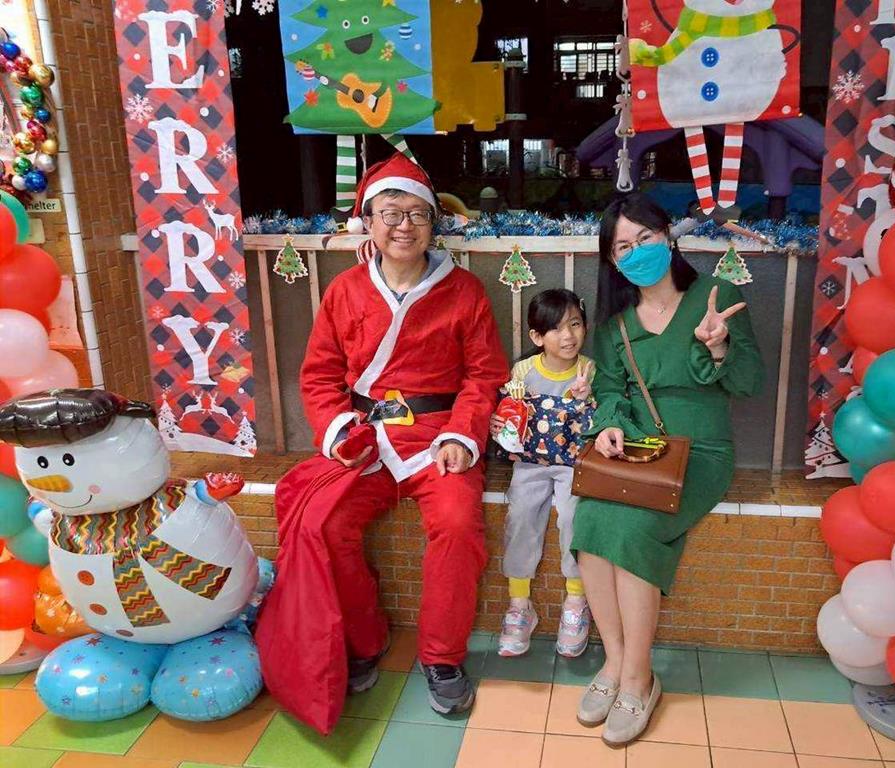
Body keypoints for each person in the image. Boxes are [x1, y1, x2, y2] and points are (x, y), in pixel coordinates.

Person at [255, 153, 508, 734]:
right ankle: (365, 639)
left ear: (433, 223)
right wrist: (337, 429)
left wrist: (462, 435)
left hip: (437, 436)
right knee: (325, 524)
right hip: (364, 437)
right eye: (391, 213)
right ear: (368, 222)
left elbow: (484, 376)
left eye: (417, 213)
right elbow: (320, 376)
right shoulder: (344, 290)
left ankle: (441, 657)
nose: (404, 225)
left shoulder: (464, 291)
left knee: (458, 524)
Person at [572, 193, 764, 747]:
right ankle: (614, 663)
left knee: (633, 530)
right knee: (589, 524)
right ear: (612, 262)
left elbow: (749, 383)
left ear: (668, 237)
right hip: (638, 450)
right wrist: (609, 425)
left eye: (646, 238)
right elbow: (611, 391)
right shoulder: (614, 326)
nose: (637, 252)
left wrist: (720, 346)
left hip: (700, 452)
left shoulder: (716, 297)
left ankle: (640, 679)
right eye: (622, 247)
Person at [490, 289, 596, 659]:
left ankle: (576, 602)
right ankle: (519, 606)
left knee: (573, 516)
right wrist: (499, 419)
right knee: (520, 516)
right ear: (537, 337)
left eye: (575, 324)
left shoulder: (589, 370)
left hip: (574, 465)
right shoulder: (523, 372)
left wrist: (586, 397)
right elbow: (507, 414)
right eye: (556, 328)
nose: (568, 336)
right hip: (530, 463)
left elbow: (599, 419)